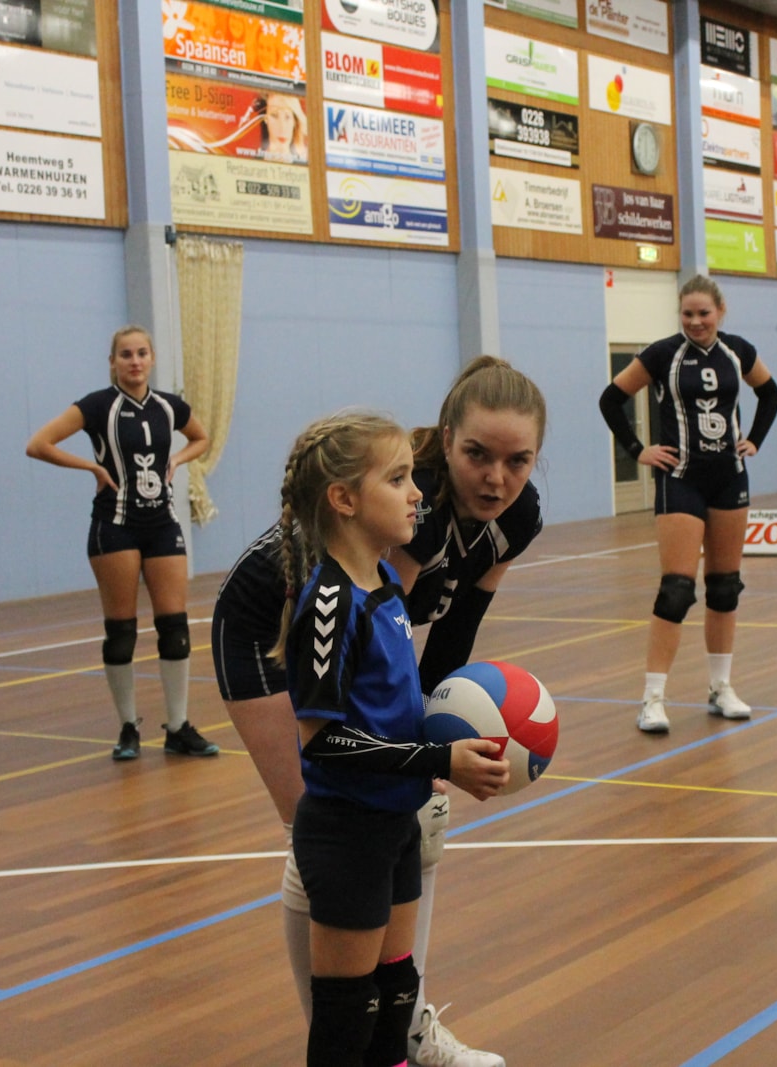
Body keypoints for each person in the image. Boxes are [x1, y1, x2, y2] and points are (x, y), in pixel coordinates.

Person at [212, 356, 545, 1067]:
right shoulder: (406, 515)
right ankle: (341, 1026)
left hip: (355, 642)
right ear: (445, 441)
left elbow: (452, 633)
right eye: (477, 455)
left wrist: (440, 739)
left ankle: (400, 1025)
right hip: (266, 633)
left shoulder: (516, 516)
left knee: (415, 822)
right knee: (322, 822)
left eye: (518, 461)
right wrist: (428, 756)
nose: (496, 478)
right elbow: (358, 688)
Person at [274, 410, 509, 1067]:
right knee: (348, 1014)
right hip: (345, 832)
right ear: (344, 499)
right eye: (398, 478)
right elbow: (323, 740)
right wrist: (438, 758)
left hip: (394, 823)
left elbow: (391, 708)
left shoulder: (388, 584)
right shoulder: (330, 602)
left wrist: (454, 732)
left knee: (396, 990)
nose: (416, 493)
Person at [25, 325, 220, 761]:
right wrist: (92, 469)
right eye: (126, 354)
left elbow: (201, 437)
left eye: (142, 353)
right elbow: (38, 444)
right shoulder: (97, 406)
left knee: (175, 628)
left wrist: (178, 459)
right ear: (112, 362)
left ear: (152, 359)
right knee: (121, 632)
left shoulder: (168, 406)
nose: (135, 361)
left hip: (161, 524)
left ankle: (178, 727)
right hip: (115, 526)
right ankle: (128, 728)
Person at [599, 275, 777, 734]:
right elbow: (611, 399)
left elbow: (770, 393)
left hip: (729, 479)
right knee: (677, 590)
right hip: (680, 480)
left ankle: (721, 688)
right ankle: (653, 699)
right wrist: (638, 450)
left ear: (720, 311)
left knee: (724, 588)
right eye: (688, 313)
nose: (696, 321)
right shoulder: (663, 354)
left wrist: (755, 440)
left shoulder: (738, 351)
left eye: (704, 313)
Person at [259, 93, 309, 164]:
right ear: (265, 118)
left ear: (294, 122)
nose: (282, 127)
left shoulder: (304, 164)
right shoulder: (250, 162)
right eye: (275, 115)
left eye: (287, 117)